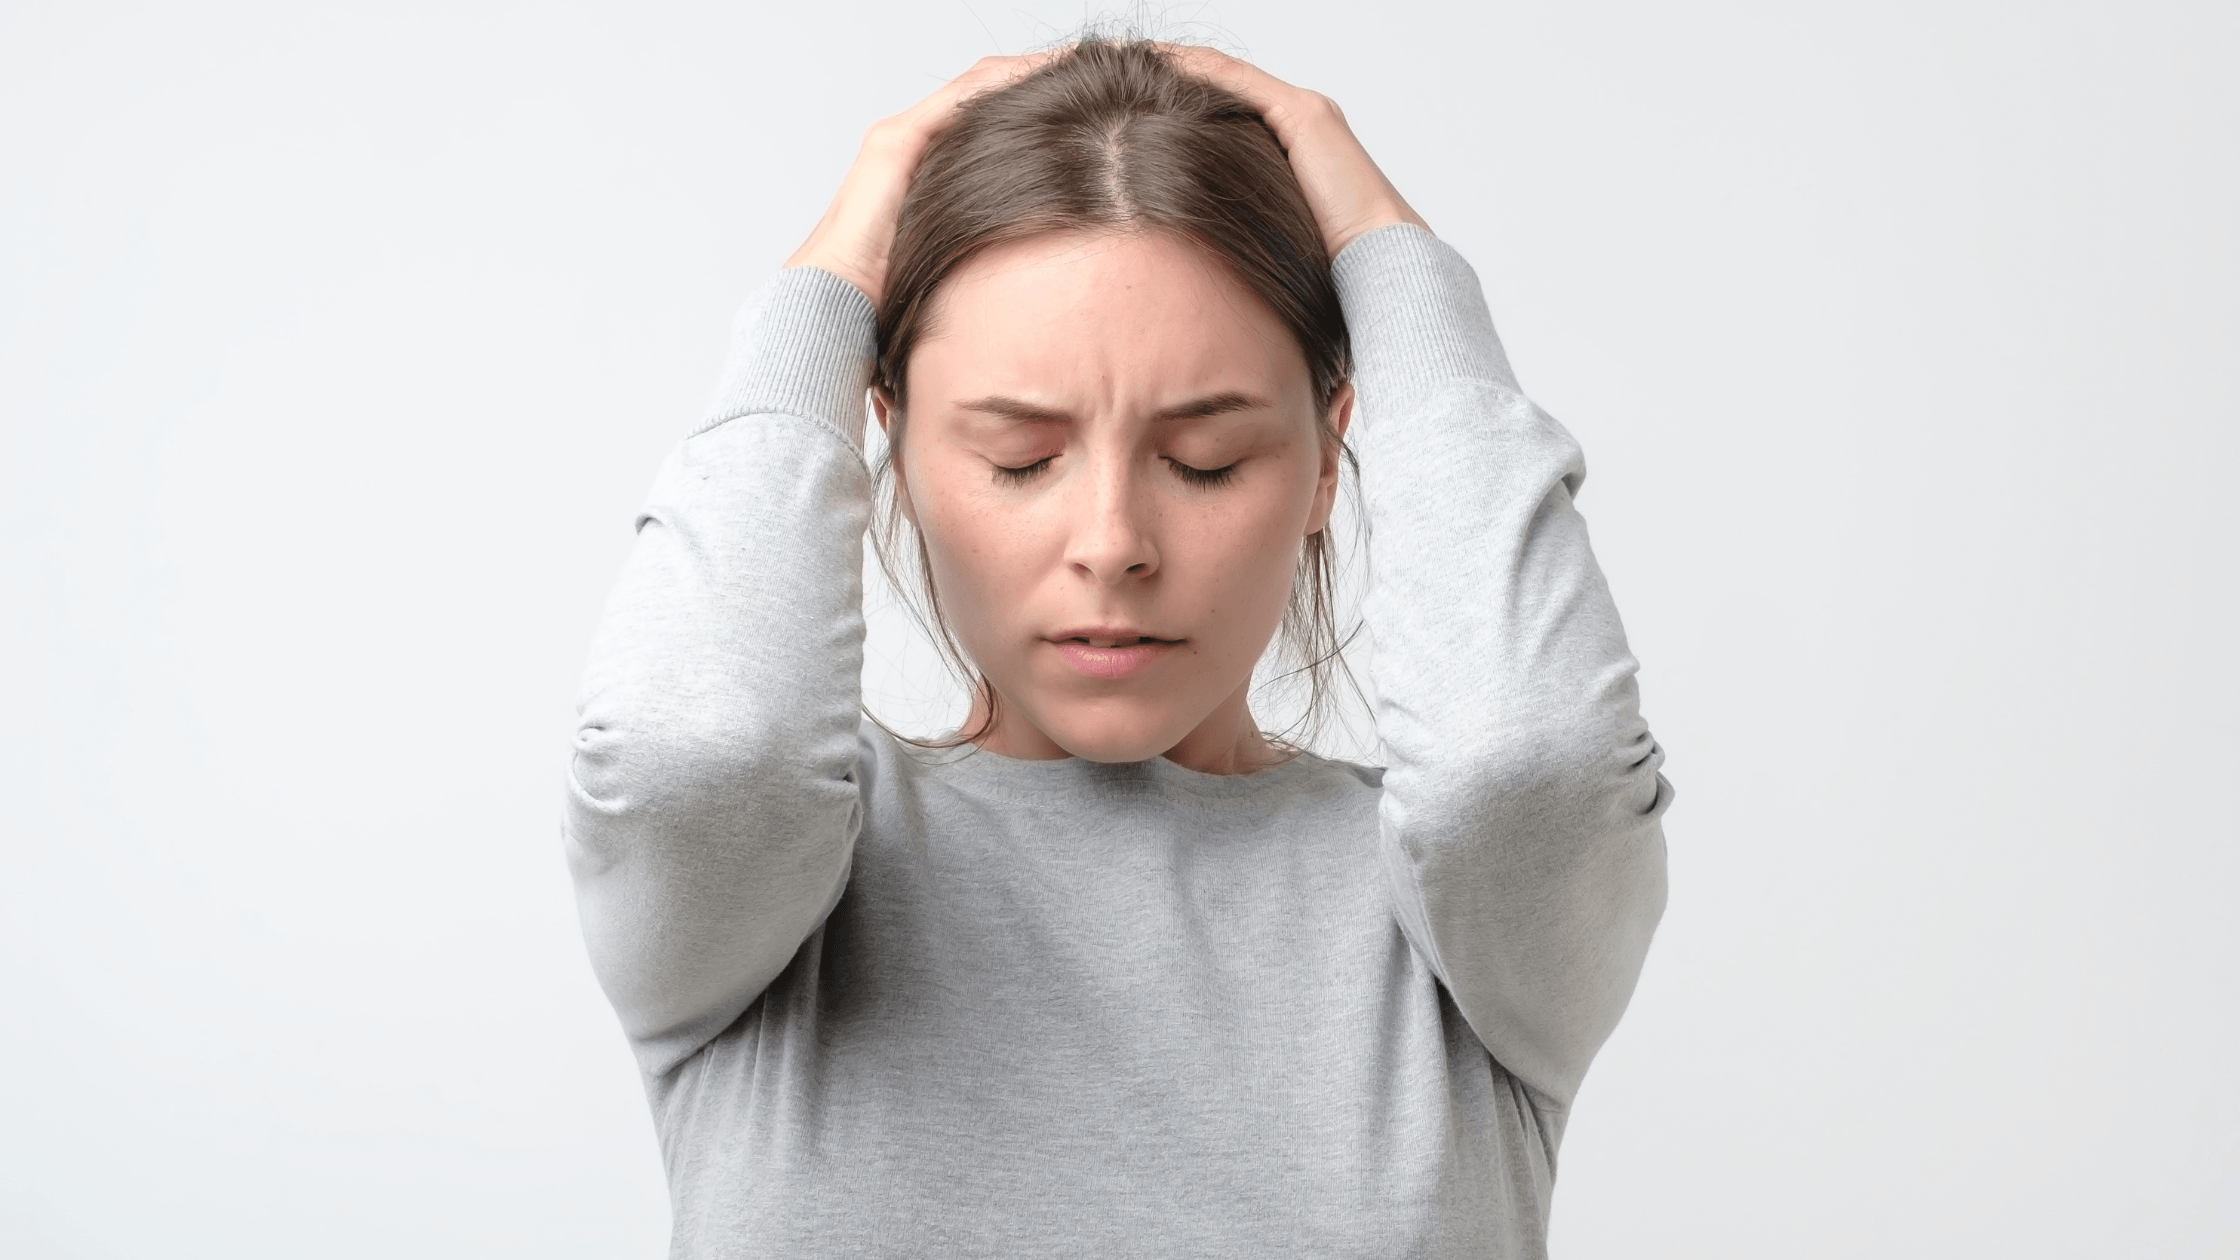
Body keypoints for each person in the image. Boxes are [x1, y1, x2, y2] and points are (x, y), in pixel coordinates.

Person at [564, 37, 1672, 1258]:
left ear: (1326, 459)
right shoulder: (766, 891)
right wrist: (823, 293)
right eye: (1019, 458)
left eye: (1205, 460)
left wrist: (1397, 266)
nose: (1112, 542)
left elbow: (1528, 767)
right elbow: (700, 750)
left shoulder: (1462, 915)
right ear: (885, 446)